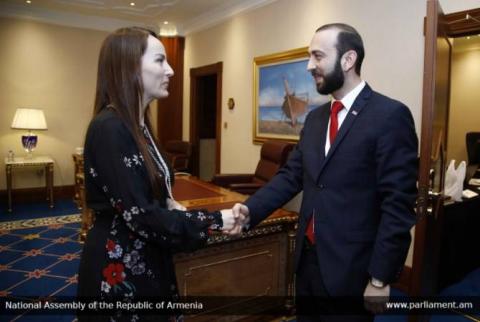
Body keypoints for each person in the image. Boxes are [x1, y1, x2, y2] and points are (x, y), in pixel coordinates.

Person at [230, 23, 418, 321]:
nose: (309, 66)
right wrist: (249, 210)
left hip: (352, 268)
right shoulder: (316, 119)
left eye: (317, 56)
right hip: (307, 261)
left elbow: (398, 204)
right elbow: (291, 176)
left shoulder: (390, 116)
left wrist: (380, 278)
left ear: (348, 60)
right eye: (309, 57)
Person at [77, 27, 237, 322]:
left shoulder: (138, 126)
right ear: (130, 68)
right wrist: (215, 219)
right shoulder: (110, 128)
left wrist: (171, 204)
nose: (171, 70)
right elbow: (142, 216)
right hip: (119, 267)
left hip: (147, 257)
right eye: (160, 61)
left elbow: (151, 196)